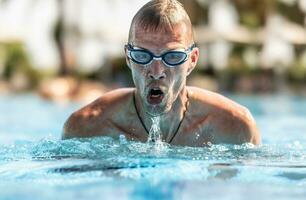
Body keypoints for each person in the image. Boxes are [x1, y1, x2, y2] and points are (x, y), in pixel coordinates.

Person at [62, 0, 260, 146]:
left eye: (172, 57)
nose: (156, 72)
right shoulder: (86, 127)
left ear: (192, 60)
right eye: (142, 55)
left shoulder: (236, 127)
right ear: (128, 58)